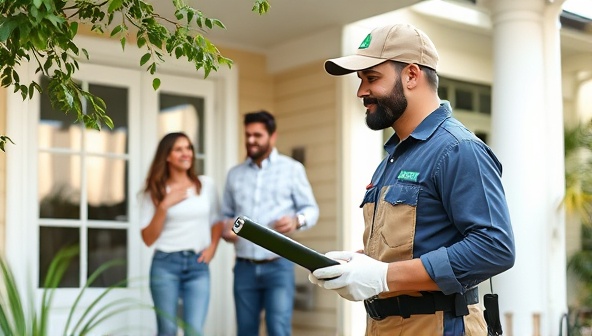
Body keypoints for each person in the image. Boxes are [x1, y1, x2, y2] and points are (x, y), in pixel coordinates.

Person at [308, 23, 516, 335]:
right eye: (360, 80)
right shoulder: (394, 156)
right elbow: (412, 246)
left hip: (439, 325)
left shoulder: (458, 149)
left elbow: (494, 247)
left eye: (372, 78)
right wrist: (358, 264)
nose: (361, 91)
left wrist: (383, 277)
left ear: (411, 75)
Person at [221, 110, 319, 336]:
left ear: (272, 136)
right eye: (247, 135)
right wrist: (227, 228)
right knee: (245, 331)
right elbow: (225, 215)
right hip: (244, 267)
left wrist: (297, 221)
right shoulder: (234, 175)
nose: (251, 140)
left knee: (278, 329)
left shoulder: (292, 169)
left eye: (257, 135)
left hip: (278, 265)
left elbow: (311, 210)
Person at [140, 132, 224, 336]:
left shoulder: (205, 185)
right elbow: (148, 238)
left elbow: (217, 220)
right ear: (167, 156)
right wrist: (164, 206)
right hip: (165, 265)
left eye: (188, 148)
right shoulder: (155, 191)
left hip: (198, 266)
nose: (186, 153)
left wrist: (212, 247)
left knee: (194, 331)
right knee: (167, 330)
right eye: (179, 149)